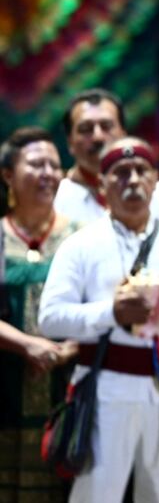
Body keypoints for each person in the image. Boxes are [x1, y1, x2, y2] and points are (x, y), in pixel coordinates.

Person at [38, 137, 159, 503]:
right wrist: (110, 313)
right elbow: (50, 318)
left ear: (156, 181)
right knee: (97, 495)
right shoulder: (81, 244)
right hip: (106, 389)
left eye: (142, 170)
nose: (133, 180)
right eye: (121, 172)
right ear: (102, 183)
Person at [0, 127, 79, 501]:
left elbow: (104, 307)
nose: (48, 172)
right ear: (8, 174)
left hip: (67, 395)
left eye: (54, 164)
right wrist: (27, 344)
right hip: (5, 390)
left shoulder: (81, 237)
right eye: (36, 164)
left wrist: (69, 348)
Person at [54, 88, 159, 226]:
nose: (98, 137)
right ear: (70, 142)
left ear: (123, 134)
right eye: (86, 129)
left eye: (106, 126)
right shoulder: (55, 200)